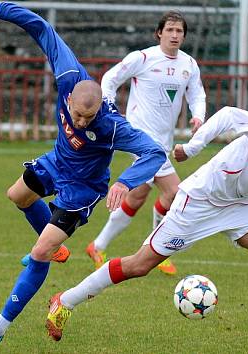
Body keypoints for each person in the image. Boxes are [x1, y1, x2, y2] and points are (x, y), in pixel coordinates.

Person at [45, 107, 248, 351]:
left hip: (237, 207)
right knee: (139, 265)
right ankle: (65, 301)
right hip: (198, 201)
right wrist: (191, 148)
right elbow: (228, 114)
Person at [0, 1, 166, 353]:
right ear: (69, 97)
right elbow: (43, 29)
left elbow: (154, 153)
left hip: (82, 189)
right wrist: (0, 9)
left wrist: (125, 181)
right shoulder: (68, 75)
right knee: (17, 196)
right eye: (77, 115)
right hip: (56, 162)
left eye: (89, 118)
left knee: (39, 251)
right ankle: (55, 248)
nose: (82, 122)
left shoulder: (112, 126)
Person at [85, 10, 207, 276]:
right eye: (170, 30)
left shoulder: (189, 64)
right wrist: (109, 106)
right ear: (159, 33)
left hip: (164, 141)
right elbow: (110, 78)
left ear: (184, 36)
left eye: (179, 31)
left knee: (138, 195)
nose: (175, 35)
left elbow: (197, 93)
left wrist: (198, 116)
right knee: (174, 194)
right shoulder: (143, 58)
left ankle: (98, 245)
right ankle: (157, 250)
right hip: (141, 139)